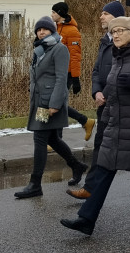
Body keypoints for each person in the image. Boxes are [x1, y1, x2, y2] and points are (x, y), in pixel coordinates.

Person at [60, 16, 130, 235]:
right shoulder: (117, 55)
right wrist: (105, 111)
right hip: (116, 124)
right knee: (104, 169)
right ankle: (86, 219)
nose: (116, 34)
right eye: (114, 31)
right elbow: (113, 90)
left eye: (120, 31)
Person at [15, 15, 87, 198]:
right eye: (38, 30)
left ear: (52, 31)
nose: (41, 32)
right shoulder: (40, 50)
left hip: (48, 104)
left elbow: (62, 78)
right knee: (52, 139)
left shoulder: (59, 49)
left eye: (44, 29)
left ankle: (35, 184)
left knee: (40, 139)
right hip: (40, 101)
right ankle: (76, 165)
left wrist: (55, 104)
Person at [67, 0, 123, 200]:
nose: (101, 16)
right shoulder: (104, 41)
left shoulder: (126, 40)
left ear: (116, 17)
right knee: (100, 144)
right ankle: (90, 187)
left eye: (105, 14)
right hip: (105, 105)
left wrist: (108, 92)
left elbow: (124, 73)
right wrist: (97, 92)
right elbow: (97, 71)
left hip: (124, 107)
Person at [52, 1, 95, 144]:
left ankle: (56, 140)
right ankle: (85, 121)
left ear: (60, 13)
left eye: (53, 12)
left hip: (66, 74)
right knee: (54, 104)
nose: (51, 14)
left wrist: (76, 78)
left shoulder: (72, 31)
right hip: (56, 73)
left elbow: (75, 56)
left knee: (57, 104)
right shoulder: (57, 29)